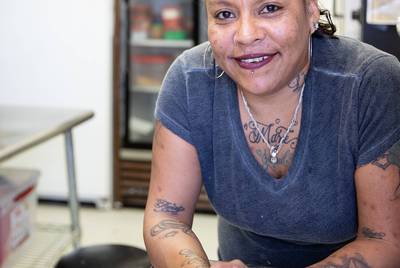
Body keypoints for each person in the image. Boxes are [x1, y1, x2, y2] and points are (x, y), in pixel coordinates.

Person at [143, 0, 400, 267]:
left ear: (311, 11)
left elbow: (384, 242)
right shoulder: (190, 80)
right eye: (225, 14)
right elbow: (166, 217)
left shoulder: (369, 83)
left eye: (270, 8)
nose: (245, 35)